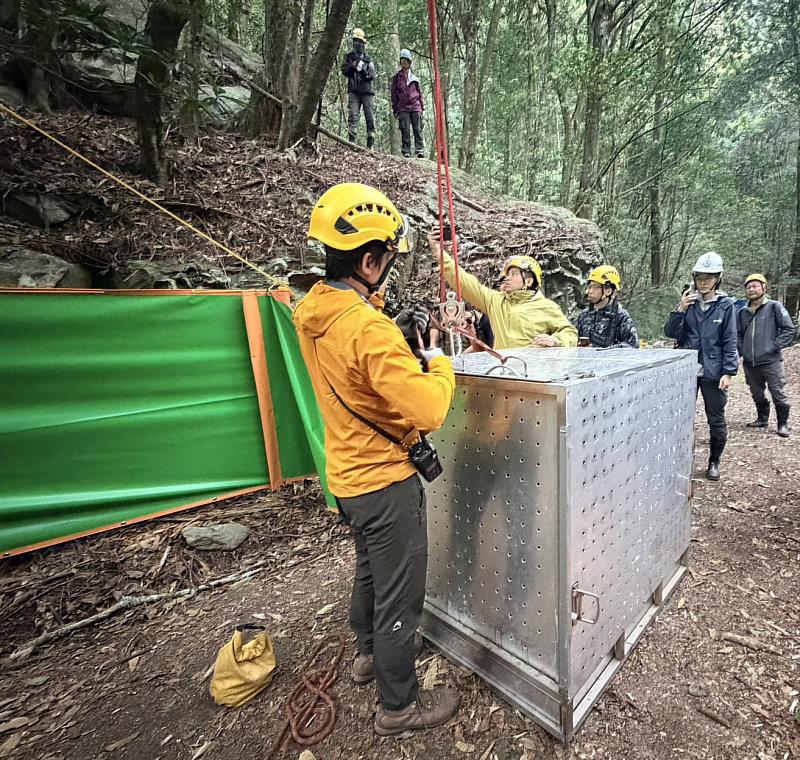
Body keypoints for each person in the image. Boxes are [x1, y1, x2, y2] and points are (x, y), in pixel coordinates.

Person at [293, 183, 460, 736]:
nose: (389, 270)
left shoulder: (314, 310)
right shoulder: (367, 329)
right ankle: (399, 706)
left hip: (345, 478)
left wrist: (388, 324)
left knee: (369, 571)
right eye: (387, 260)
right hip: (386, 484)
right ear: (368, 260)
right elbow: (429, 408)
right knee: (400, 596)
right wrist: (436, 359)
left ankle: (366, 656)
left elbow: (357, 353)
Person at [665, 252, 738, 481]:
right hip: (687, 372)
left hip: (714, 372)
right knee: (680, 417)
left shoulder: (726, 306)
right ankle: (678, 461)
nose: (703, 282)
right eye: (699, 277)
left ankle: (714, 462)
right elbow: (670, 333)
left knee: (715, 418)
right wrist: (680, 310)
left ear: (718, 279)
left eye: (709, 277)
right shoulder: (689, 304)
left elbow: (730, 340)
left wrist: (728, 371)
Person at [433, 245, 578, 349]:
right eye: (507, 275)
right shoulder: (496, 301)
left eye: (514, 274)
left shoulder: (547, 306)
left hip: (535, 375)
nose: (507, 278)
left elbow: (570, 333)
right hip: (504, 373)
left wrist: (555, 340)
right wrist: (440, 253)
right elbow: (465, 282)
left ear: (528, 281)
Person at [737, 273, 795, 437]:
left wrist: (773, 346)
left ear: (764, 288)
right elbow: (738, 333)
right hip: (750, 361)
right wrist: (742, 350)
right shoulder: (742, 312)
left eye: (755, 286)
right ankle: (762, 418)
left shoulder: (774, 307)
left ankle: (783, 424)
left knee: (777, 391)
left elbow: (788, 330)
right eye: (748, 287)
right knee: (756, 392)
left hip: (771, 361)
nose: (751, 289)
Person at [575, 265, 639, 348]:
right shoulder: (583, 316)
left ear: (608, 290)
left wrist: (607, 350)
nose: (590, 291)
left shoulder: (620, 316)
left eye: (596, 287)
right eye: (590, 286)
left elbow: (633, 347)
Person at [341, 28, 376, 148]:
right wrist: (354, 65)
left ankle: (370, 144)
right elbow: (344, 71)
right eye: (356, 41)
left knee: (370, 117)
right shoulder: (349, 57)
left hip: (367, 92)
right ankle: (351, 143)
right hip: (354, 91)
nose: (358, 44)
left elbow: (372, 75)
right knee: (353, 115)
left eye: (360, 41)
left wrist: (365, 69)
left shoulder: (368, 58)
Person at [391, 49, 425, 158]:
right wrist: (395, 109)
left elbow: (420, 93)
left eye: (405, 60)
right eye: (402, 60)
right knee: (405, 129)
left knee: (417, 128)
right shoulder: (397, 77)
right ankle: (406, 151)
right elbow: (394, 94)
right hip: (403, 107)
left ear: (409, 62)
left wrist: (422, 107)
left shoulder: (415, 77)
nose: (403, 62)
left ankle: (420, 150)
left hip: (415, 106)